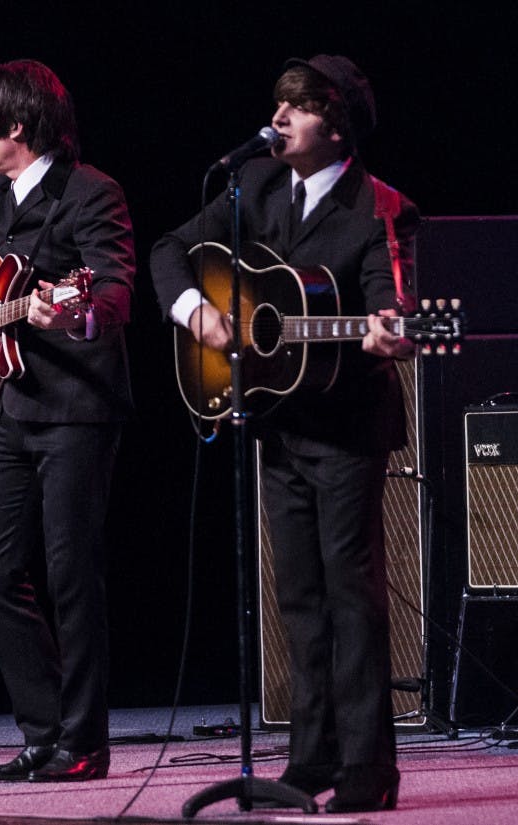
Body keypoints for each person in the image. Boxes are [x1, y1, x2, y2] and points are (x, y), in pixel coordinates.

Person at [150, 56, 418, 812]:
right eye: (277, 103)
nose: (278, 118)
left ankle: (368, 767)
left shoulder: (380, 207)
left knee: (351, 596)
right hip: (277, 420)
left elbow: (390, 300)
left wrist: (390, 331)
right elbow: (169, 250)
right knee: (298, 597)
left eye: (297, 107)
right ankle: (310, 759)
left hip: (347, 427)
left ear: (336, 126)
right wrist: (197, 313)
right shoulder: (257, 184)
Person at [0, 60, 135, 782]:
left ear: (17, 125)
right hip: (11, 405)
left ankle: (84, 742)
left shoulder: (91, 191)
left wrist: (75, 314)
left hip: (76, 407)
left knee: (72, 574)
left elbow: (113, 291)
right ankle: (44, 729)